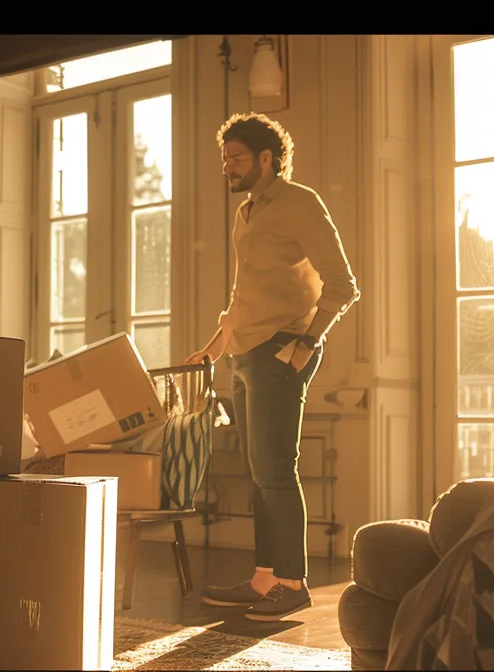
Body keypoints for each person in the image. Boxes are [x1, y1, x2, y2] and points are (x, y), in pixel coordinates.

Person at [186, 112, 360, 622]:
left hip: (282, 349)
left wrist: (306, 343)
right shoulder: (248, 212)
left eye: (236, 158)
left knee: (278, 472)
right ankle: (265, 579)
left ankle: (293, 583)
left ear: (267, 158)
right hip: (246, 352)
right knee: (261, 473)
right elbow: (245, 295)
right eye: (225, 160)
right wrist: (215, 347)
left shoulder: (301, 203)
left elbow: (343, 284)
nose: (228, 167)